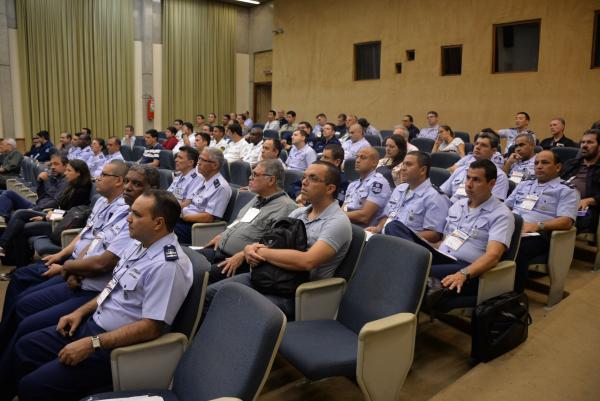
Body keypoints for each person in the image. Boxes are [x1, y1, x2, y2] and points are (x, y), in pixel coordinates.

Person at [1, 190, 192, 401]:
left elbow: (152, 327)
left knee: (33, 386)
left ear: (158, 223)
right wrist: (80, 312)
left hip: (115, 349)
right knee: (25, 347)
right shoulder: (139, 245)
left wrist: (93, 343)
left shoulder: (167, 265)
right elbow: (112, 288)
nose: (129, 218)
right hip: (93, 324)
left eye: (137, 215)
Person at [0, 161, 132, 356]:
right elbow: (88, 235)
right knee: (21, 284)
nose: (97, 178)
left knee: (24, 309)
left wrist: (68, 267)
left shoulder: (126, 214)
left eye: (103, 175)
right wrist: (62, 256)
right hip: (76, 266)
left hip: (86, 280)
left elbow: (104, 262)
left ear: (119, 181)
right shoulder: (102, 201)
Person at [204, 161, 352, 318]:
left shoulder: (338, 222)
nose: (304, 182)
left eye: (313, 178)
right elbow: (271, 242)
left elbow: (307, 261)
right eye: (304, 177)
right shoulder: (299, 213)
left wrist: (261, 252)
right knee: (210, 294)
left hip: (297, 292)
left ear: (330, 188)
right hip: (270, 276)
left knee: (239, 308)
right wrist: (249, 249)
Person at [201, 159, 297, 283]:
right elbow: (240, 221)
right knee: (186, 261)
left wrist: (242, 255)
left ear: (271, 180)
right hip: (219, 251)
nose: (250, 178)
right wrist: (222, 235)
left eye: (255, 175)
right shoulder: (258, 198)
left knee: (200, 275)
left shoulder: (286, 207)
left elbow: (272, 245)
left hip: (242, 262)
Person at [434, 159, 515, 298]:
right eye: (468, 178)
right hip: (444, 257)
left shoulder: (501, 215)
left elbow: (493, 256)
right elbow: (445, 238)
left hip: (468, 268)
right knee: (412, 258)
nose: (469, 184)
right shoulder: (457, 205)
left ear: (491, 184)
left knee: (417, 270)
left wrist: (464, 273)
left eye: (476, 180)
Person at [507, 149, 578, 293]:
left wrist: (538, 226)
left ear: (557, 167)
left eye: (545, 163)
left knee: (516, 249)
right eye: (536, 163)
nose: (539, 166)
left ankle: (513, 296)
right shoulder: (524, 184)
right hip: (510, 227)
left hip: (538, 235)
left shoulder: (566, 190)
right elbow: (505, 207)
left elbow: (566, 221)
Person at [0, 159, 93, 260]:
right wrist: (49, 213)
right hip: (55, 218)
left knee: (20, 220)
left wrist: (46, 217)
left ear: (78, 173)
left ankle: (5, 247)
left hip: (61, 225)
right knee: (19, 219)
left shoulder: (82, 190)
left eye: (69, 171)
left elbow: (73, 214)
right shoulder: (72, 186)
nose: (65, 173)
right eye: (66, 170)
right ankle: (9, 253)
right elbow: (61, 207)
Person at [367, 151, 451, 243]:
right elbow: (387, 216)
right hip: (384, 239)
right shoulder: (399, 189)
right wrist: (378, 228)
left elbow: (435, 234)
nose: (402, 168)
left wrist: (405, 238)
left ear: (423, 170)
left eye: (408, 164)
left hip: (408, 246)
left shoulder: (436, 197)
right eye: (403, 164)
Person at [174, 148, 232, 244]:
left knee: (161, 230)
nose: (198, 163)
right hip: (184, 219)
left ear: (215, 165)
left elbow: (208, 218)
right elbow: (190, 202)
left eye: (203, 160)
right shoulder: (203, 180)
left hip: (196, 227)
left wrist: (183, 216)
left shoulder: (220, 187)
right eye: (199, 159)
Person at [442, 132, 510, 202]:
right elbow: (443, 192)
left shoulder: (499, 176)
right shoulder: (460, 169)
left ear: (494, 151)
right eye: (476, 144)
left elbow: (494, 206)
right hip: (451, 208)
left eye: (483, 145)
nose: (477, 147)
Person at [0, 154, 67, 222]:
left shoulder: (66, 182)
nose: (52, 167)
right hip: (37, 206)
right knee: (9, 194)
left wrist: (35, 209)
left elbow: (55, 202)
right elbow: (41, 197)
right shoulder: (53, 178)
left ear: (65, 166)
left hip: (45, 211)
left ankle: (5, 221)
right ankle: (2, 218)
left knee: (16, 214)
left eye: (56, 164)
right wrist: (40, 182)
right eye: (51, 164)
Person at [561, 129, 600, 233]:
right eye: (583, 142)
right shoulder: (571, 164)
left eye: (590, 142)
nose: (584, 145)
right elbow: (557, 181)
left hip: (586, 206)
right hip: (561, 200)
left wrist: (588, 200)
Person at [343, 147, 392, 227]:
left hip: (362, 231)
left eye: (363, 157)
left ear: (374, 163)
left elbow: (364, 217)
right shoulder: (353, 185)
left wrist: (337, 216)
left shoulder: (378, 184)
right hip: (346, 225)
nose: (357, 161)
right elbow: (344, 208)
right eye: (357, 157)